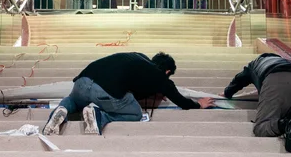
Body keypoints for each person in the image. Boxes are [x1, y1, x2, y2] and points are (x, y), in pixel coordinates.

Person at [43, 52, 215, 136]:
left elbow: (130, 81)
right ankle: (99, 116)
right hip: (104, 93)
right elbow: (181, 101)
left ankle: (62, 111)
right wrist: (198, 104)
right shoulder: (161, 77)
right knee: (135, 112)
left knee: (72, 100)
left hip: (82, 81)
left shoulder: (137, 56)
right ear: (168, 71)